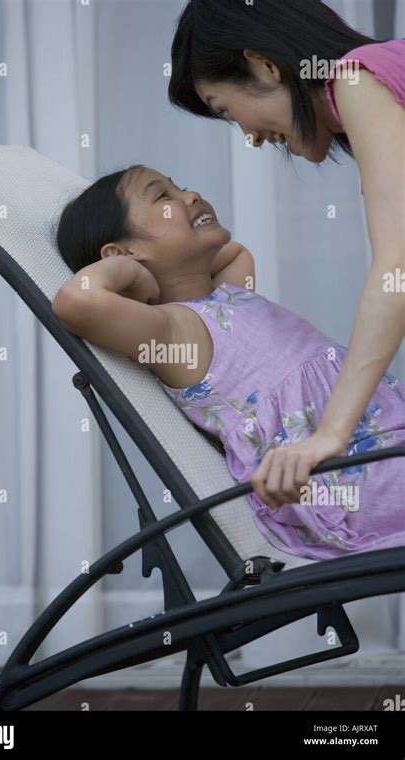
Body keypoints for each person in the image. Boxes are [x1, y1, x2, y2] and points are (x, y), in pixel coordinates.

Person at [52, 165, 405, 560]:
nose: (190, 196)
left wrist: (179, 240)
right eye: (163, 197)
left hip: (378, 443)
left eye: (181, 185)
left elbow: (235, 251)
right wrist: (125, 267)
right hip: (348, 479)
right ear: (124, 251)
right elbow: (75, 301)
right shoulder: (175, 330)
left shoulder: (227, 296)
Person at [168, 0, 405, 508]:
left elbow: (396, 271)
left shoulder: (359, 82)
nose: (250, 137)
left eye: (226, 110)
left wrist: (330, 435)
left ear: (264, 66)